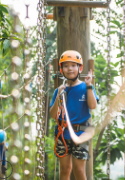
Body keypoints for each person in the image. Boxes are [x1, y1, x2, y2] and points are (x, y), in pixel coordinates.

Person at [49, 50, 99, 180]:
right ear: (61, 69)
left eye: (73, 65)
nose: (69, 68)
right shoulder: (59, 90)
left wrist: (89, 86)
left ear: (79, 68)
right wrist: (59, 95)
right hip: (63, 133)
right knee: (65, 170)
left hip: (81, 133)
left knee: (79, 170)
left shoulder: (86, 87)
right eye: (66, 66)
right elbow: (53, 115)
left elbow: (93, 106)